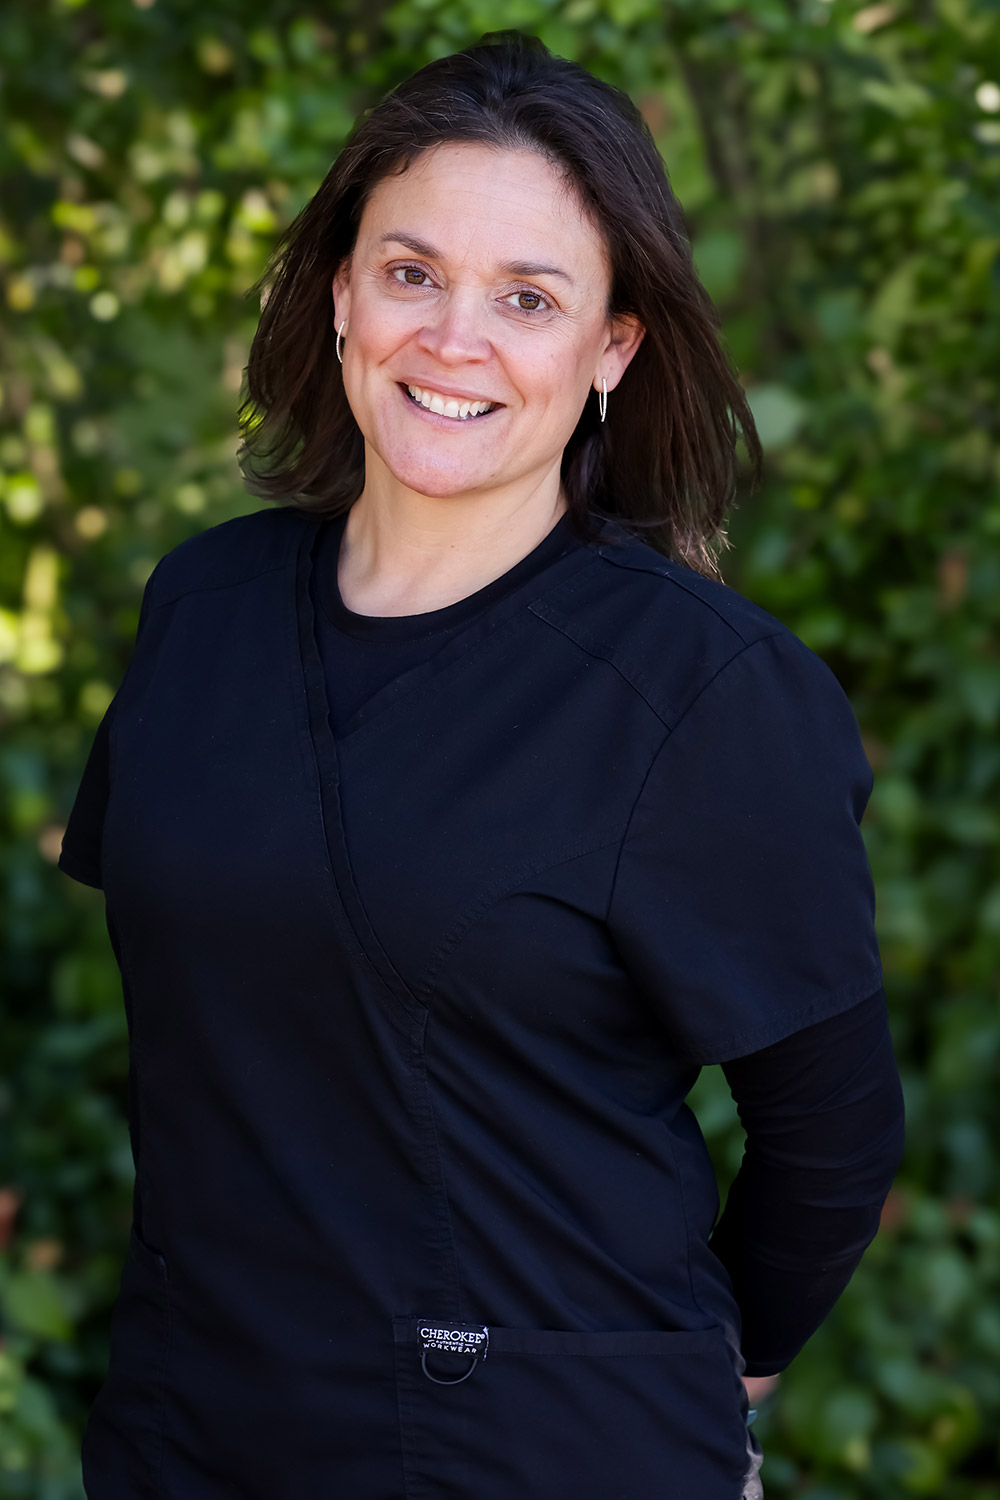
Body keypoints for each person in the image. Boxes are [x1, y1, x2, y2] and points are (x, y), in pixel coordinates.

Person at [58, 32, 905, 1500]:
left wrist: (680, 1382)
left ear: (612, 351)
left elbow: (832, 1135)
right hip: (193, 1434)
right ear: (340, 293)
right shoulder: (204, 611)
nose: (455, 339)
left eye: (528, 298)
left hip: (536, 1450)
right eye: (412, 273)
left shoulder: (701, 692)